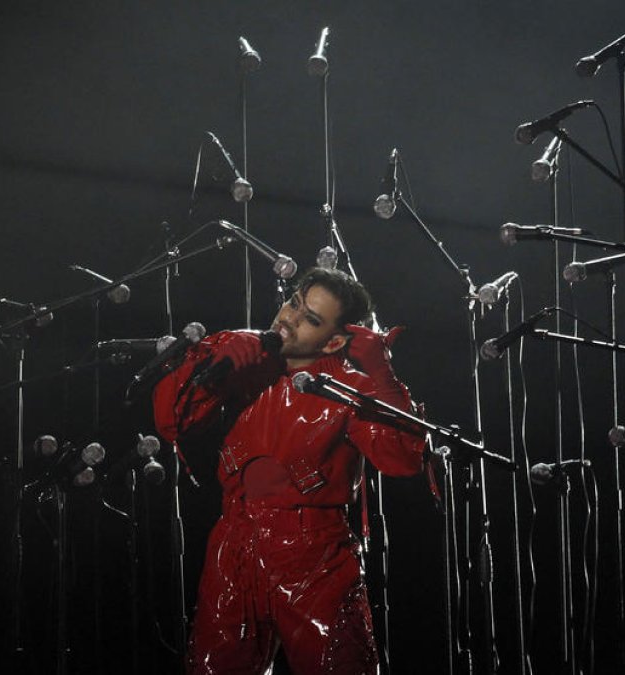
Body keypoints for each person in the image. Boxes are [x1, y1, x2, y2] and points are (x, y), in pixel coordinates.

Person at [152, 267, 426, 674]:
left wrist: (382, 378)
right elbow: (171, 421)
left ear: (334, 340)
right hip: (234, 541)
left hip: (313, 555)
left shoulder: (347, 389)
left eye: (310, 319)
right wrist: (210, 365)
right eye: (295, 302)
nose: (289, 319)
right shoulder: (249, 366)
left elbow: (402, 459)